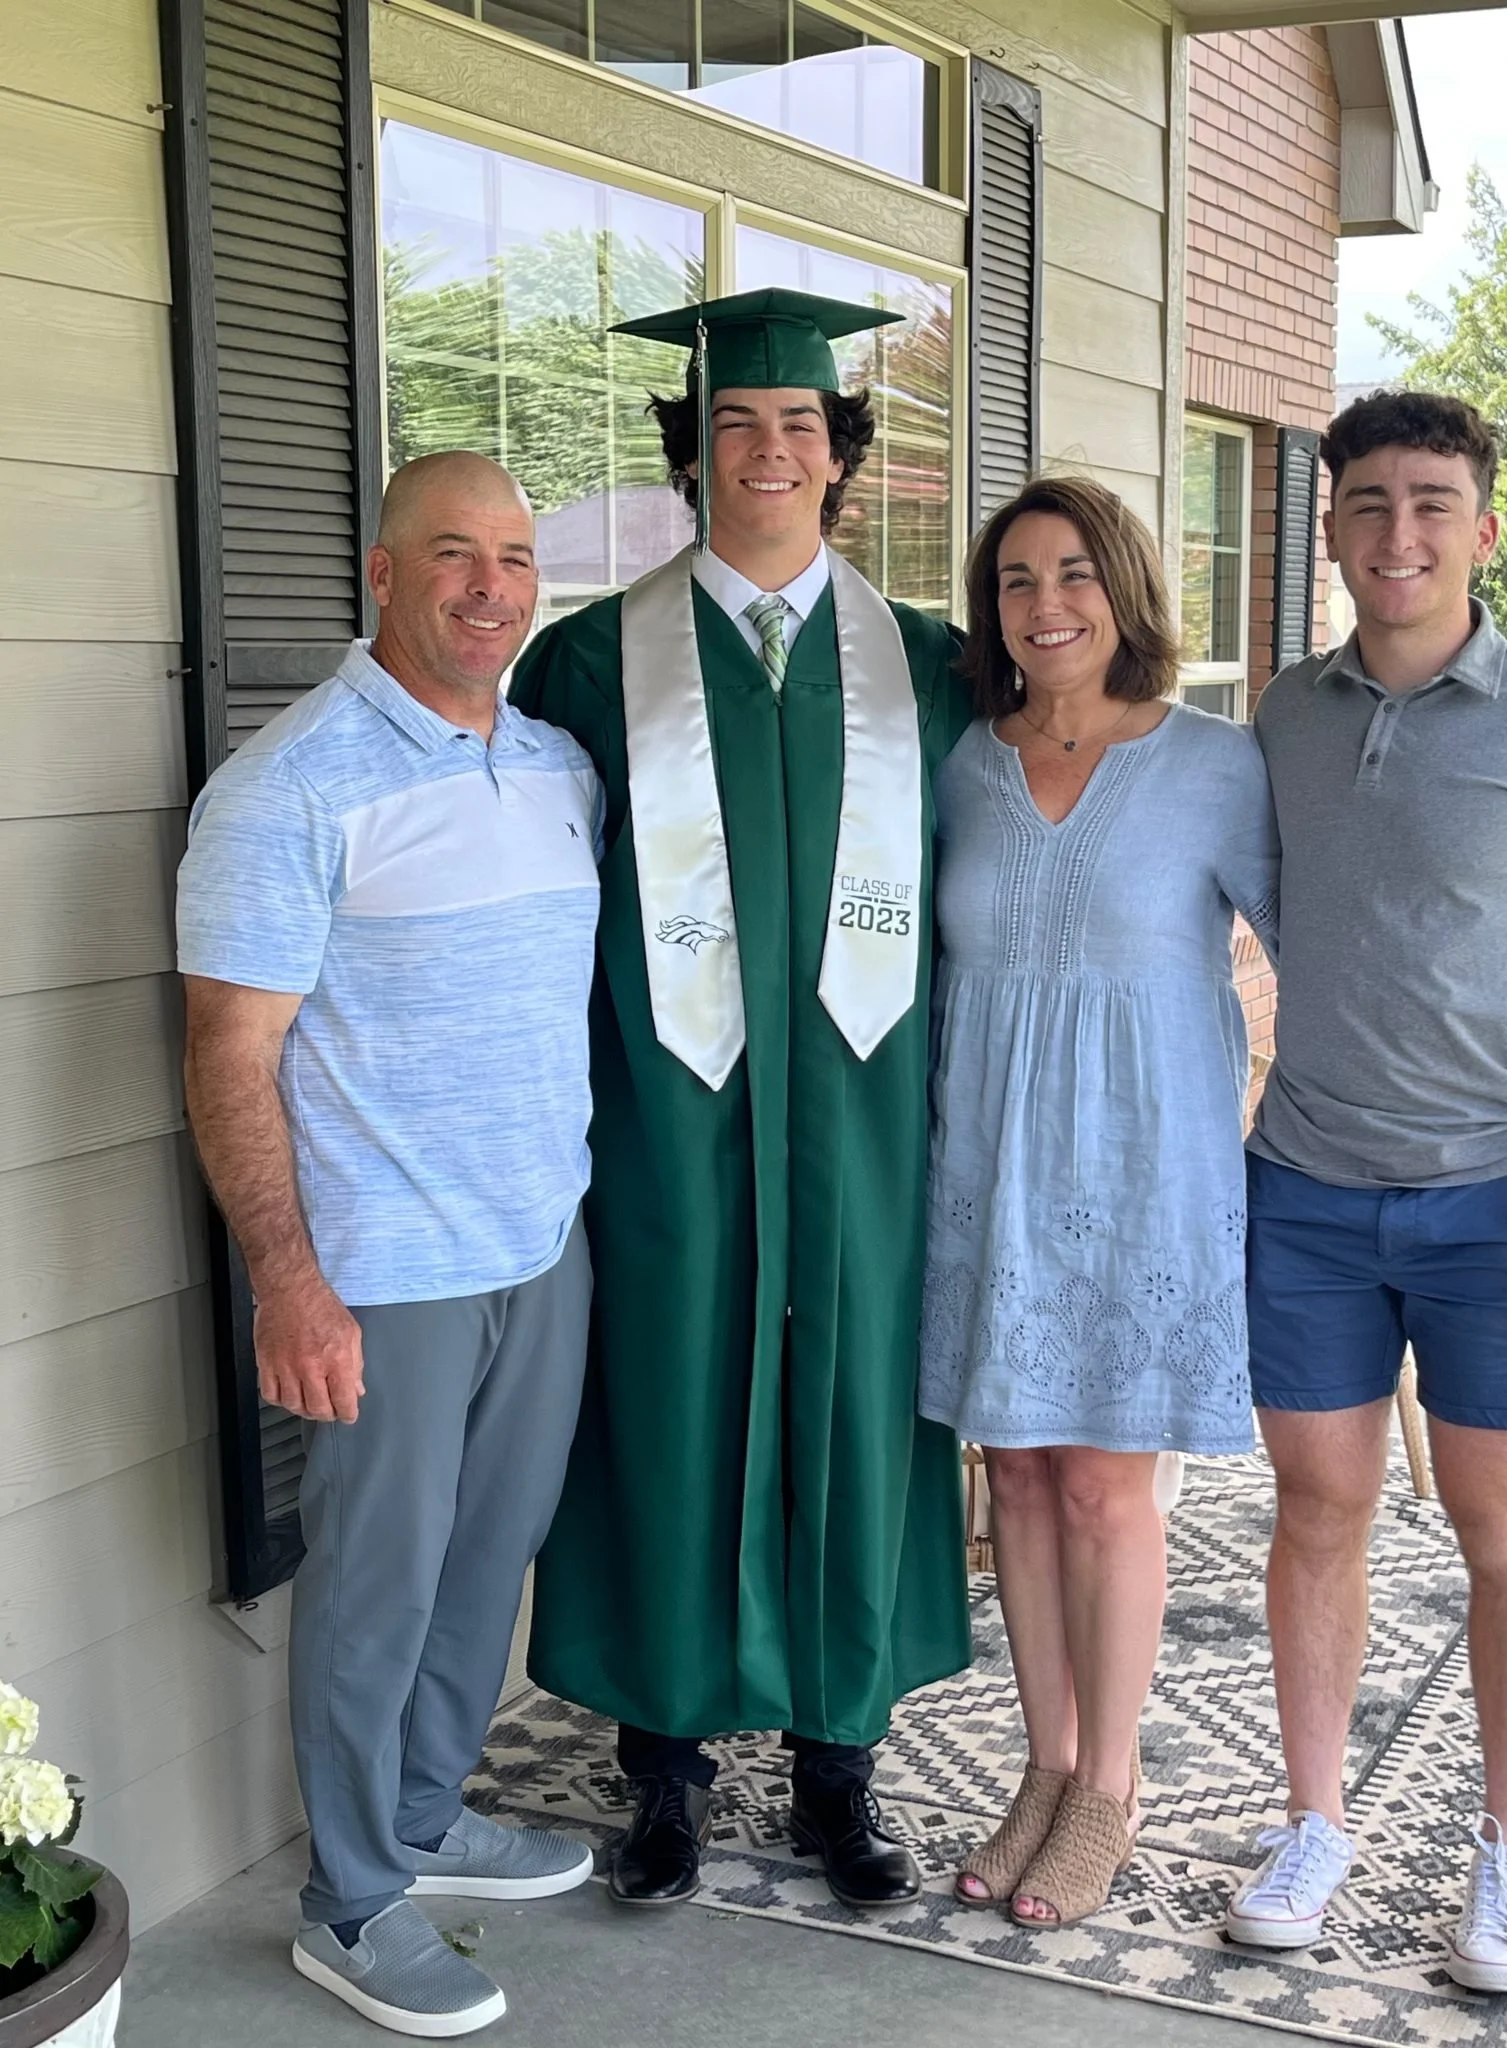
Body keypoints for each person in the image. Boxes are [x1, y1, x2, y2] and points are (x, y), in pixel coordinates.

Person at [507, 289, 974, 1913]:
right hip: (671, 1132)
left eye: (800, 425)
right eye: (736, 425)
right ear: (693, 455)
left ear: (841, 456)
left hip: (861, 1127)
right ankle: (666, 1775)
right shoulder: (586, 659)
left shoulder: (928, 667)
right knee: (675, 1405)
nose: (769, 451)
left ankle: (843, 1767)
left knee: (851, 1408)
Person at [1224, 392, 1507, 1995]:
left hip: (1500, 1201)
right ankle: (1313, 1820)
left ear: (1483, 529)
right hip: (1309, 1195)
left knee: (1504, 1532)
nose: (1396, 535)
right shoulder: (1282, 714)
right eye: (1366, 505)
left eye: (1431, 504)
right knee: (1320, 1511)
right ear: (1329, 526)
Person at [177, 452, 603, 2037]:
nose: (489, 585)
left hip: (537, 1241)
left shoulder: (557, 765)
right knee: (376, 1582)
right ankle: (353, 1897)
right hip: (387, 1266)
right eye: (451, 553)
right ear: (379, 570)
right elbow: (229, 1050)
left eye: (512, 555)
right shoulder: (292, 786)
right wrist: (288, 1277)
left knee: (485, 1558)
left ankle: (429, 1812)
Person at [921, 475, 1280, 1929]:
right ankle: (1046, 1765)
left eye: (1073, 572)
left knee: (1103, 1483)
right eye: (1015, 580)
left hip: (1147, 1171)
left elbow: (1315, 945)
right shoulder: (961, 764)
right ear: (990, 609)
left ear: (1124, 587)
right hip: (988, 1164)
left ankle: (1112, 1785)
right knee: (1012, 1474)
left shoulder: (1214, 763)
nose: (1046, 602)